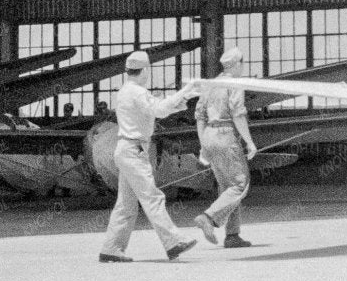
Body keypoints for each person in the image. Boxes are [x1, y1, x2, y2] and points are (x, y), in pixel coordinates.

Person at [97, 51, 200, 263]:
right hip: (134, 151)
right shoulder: (137, 92)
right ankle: (173, 241)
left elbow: (155, 110)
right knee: (152, 197)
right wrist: (185, 91)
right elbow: (160, 110)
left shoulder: (126, 91)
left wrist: (180, 99)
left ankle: (111, 248)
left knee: (126, 205)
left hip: (126, 149)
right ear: (145, 70)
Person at [194, 46, 260, 250]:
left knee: (227, 188)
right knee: (240, 184)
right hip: (225, 135)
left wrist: (203, 144)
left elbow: (200, 116)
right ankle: (208, 217)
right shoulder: (234, 84)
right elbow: (238, 114)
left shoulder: (210, 85)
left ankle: (232, 235)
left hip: (209, 135)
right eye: (243, 62)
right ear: (237, 64)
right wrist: (249, 142)